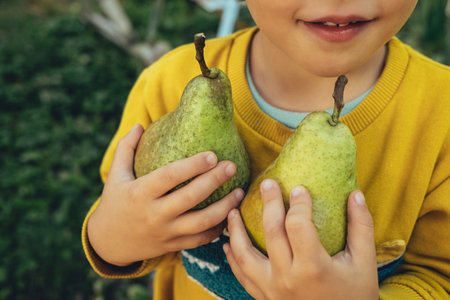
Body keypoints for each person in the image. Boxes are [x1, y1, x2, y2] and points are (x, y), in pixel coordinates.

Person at [82, 0, 450, 298]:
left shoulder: (441, 117)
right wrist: (111, 237)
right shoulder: (166, 85)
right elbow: (116, 210)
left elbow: (438, 276)